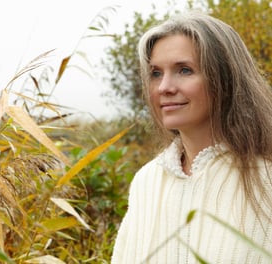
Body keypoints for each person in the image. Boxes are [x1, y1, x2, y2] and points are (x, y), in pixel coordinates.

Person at [111, 12, 272, 264]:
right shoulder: (147, 181)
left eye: (184, 70)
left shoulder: (266, 177)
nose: (164, 87)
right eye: (155, 73)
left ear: (224, 79)